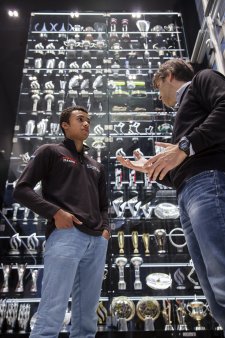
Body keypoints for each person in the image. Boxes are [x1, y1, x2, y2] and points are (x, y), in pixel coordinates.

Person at [117, 59, 225, 332]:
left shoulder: (203, 79)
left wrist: (184, 146)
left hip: (209, 182)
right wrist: (153, 168)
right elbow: (183, 166)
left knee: (222, 279)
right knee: (214, 295)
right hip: (190, 191)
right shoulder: (184, 115)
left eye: (156, 86)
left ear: (168, 75)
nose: (158, 95)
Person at [13, 106, 110, 338]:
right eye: (80, 119)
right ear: (65, 125)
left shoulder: (97, 166)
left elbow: (104, 205)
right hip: (66, 236)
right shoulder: (51, 152)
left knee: (87, 317)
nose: (86, 124)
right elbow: (22, 189)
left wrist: (106, 229)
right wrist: (56, 213)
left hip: (97, 242)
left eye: (88, 120)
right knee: (52, 311)